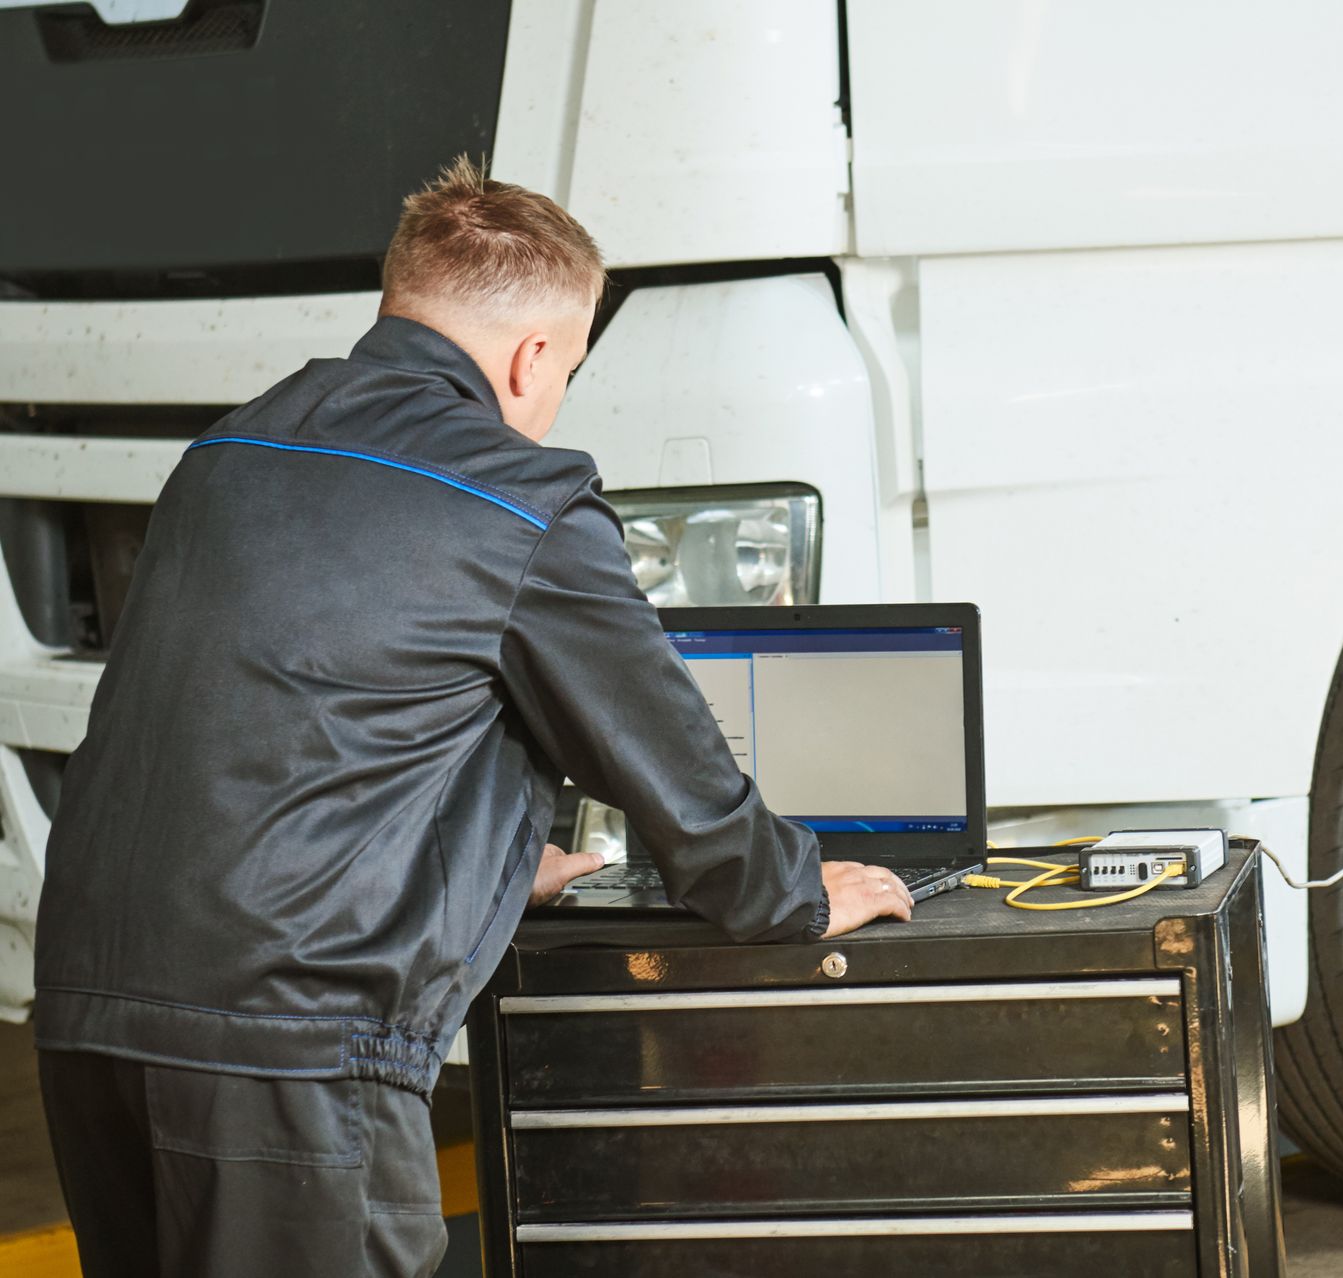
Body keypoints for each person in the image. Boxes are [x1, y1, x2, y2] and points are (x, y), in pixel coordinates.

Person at [32, 156, 913, 1277]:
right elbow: (669, 761)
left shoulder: (230, 454)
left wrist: (487, 859)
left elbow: (280, 724)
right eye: (569, 372)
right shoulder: (516, 497)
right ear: (532, 356)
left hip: (90, 1013)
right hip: (285, 1045)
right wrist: (788, 892)